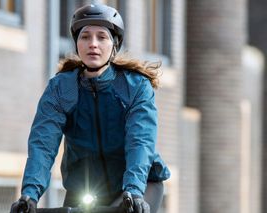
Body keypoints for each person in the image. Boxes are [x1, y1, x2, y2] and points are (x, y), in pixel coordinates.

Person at [10, 3, 170, 213]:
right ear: (76, 43)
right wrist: (29, 194)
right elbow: (43, 143)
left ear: (114, 44)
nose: (92, 44)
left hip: (137, 187)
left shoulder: (135, 87)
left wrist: (133, 189)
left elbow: (140, 141)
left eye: (101, 37)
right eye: (85, 37)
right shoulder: (61, 88)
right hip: (84, 187)